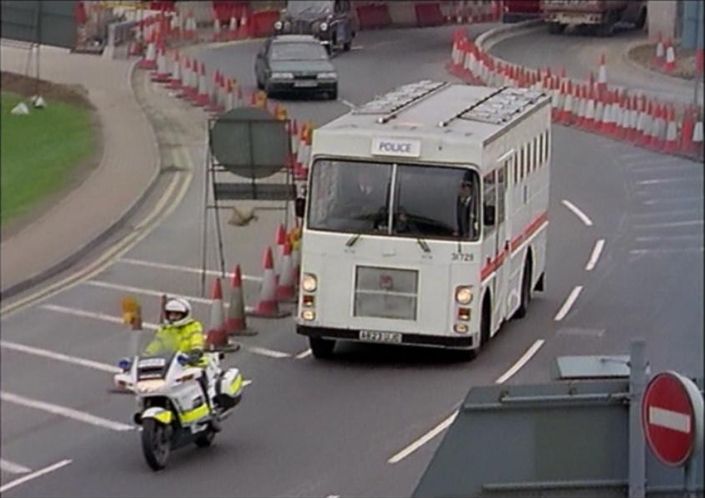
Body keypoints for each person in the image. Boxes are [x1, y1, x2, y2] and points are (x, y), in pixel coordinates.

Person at [144, 298, 212, 407]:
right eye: (171, 314)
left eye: (177, 315)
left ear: (184, 315)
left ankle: (209, 408)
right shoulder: (165, 330)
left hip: (192, 361)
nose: (173, 317)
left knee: (199, 378)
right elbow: (156, 344)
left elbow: (197, 339)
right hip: (171, 363)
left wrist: (196, 351)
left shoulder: (193, 326)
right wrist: (145, 356)